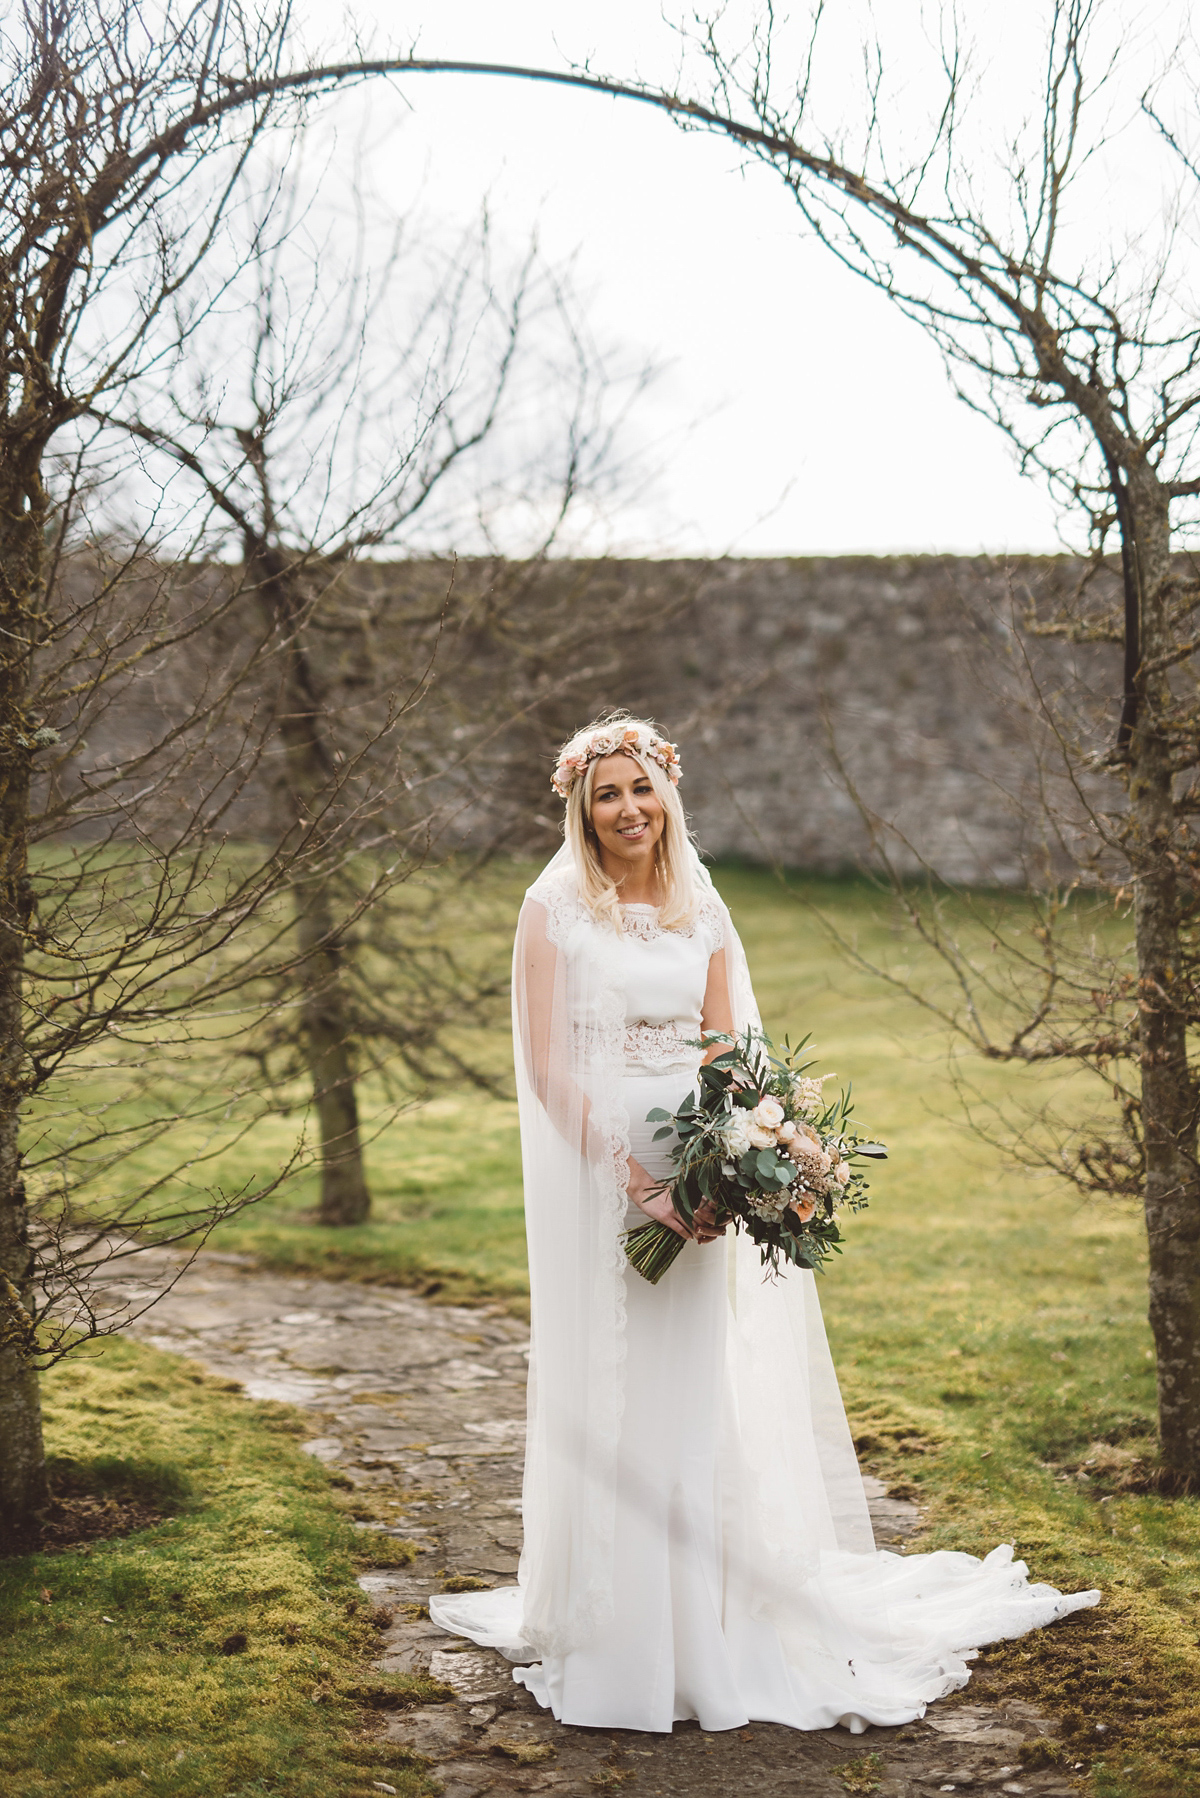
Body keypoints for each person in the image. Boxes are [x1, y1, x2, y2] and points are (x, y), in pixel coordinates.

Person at [430, 713, 1099, 1734]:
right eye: (605, 793)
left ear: (667, 796)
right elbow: (547, 1066)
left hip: (698, 1164)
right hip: (602, 1172)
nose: (627, 810)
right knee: (609, 1380)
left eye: (640, 789)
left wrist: (748, 1149)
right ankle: (612, 1627)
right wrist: (634, 1185)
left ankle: (708, 1625)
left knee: (690, 1388)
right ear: (580, 804)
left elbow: (724, 1043)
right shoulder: (551, 906)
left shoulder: (703, 904)